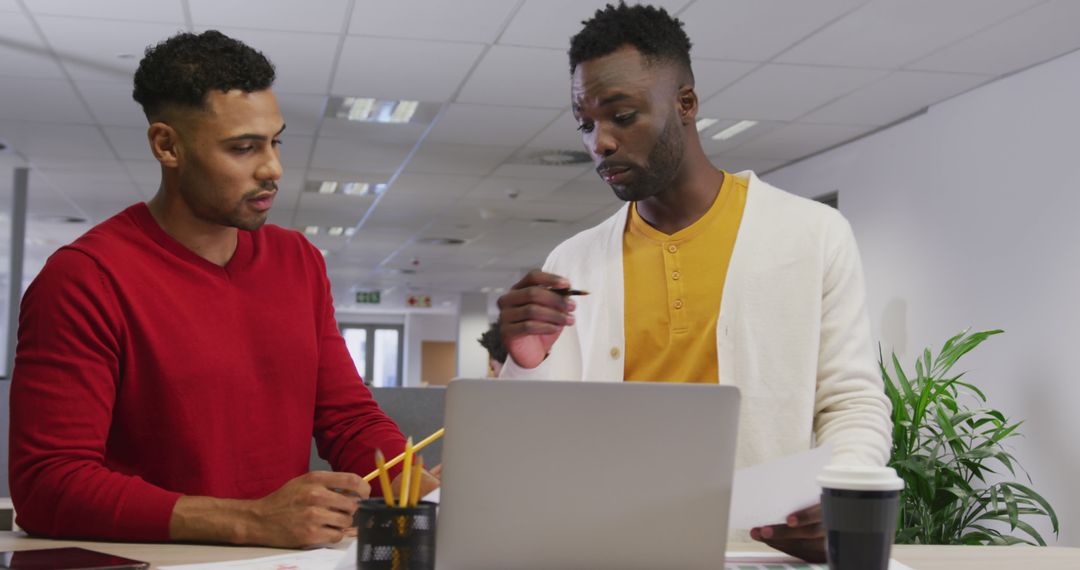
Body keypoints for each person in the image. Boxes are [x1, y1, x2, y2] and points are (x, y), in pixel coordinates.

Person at [495, 3, 891, 562]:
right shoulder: (574, 262)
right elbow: (536, 441)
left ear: (686, 104)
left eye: (622, 116)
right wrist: (524, 365)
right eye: (585, 124)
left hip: (754, 551)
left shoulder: (812, 234)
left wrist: (843, 494)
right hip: (610, 549)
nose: (599, 143)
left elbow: (851, 402)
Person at [9, 30, 436, 548]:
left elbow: (346, 416)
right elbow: (48, 486)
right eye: (243, 148)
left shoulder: (297, 260)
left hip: (277, 560)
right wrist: (249, 519)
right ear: (167, 145)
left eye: (275, 141)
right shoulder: (85, 277)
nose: (272, 169)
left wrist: (414, 483)